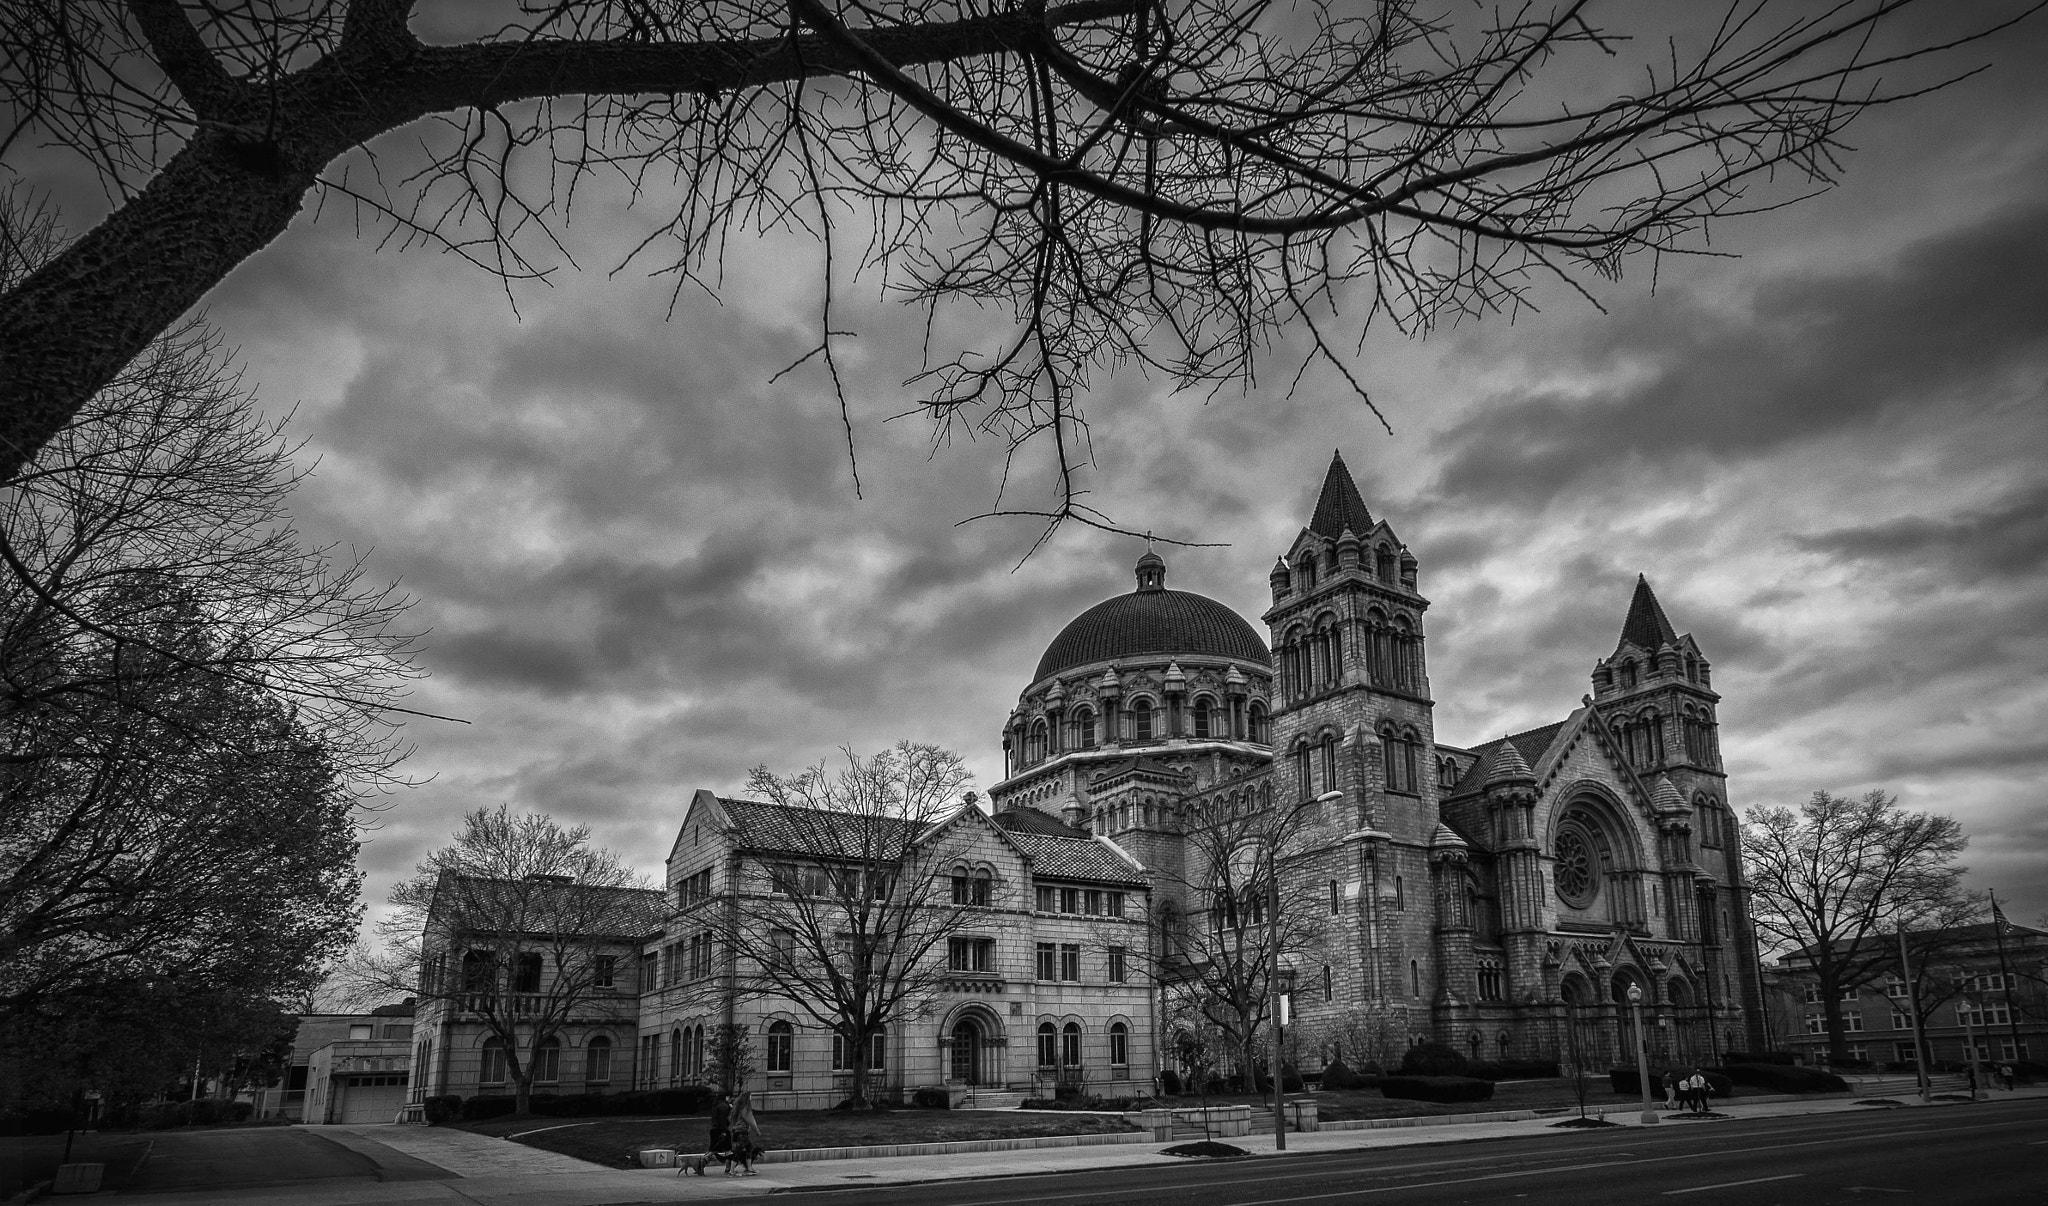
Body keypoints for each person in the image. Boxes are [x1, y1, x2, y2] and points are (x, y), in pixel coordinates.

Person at [707, 1091, 732, 1157]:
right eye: (729, 1097)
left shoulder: (716, 1105)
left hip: (714, 1129)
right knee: (728, 1148)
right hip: (721, 1129)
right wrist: (724, 1131)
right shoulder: (723, 1106)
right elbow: (723, 1119)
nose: (730, 1099)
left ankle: (702, 1162)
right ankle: (728, 1166)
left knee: (714, 1149)